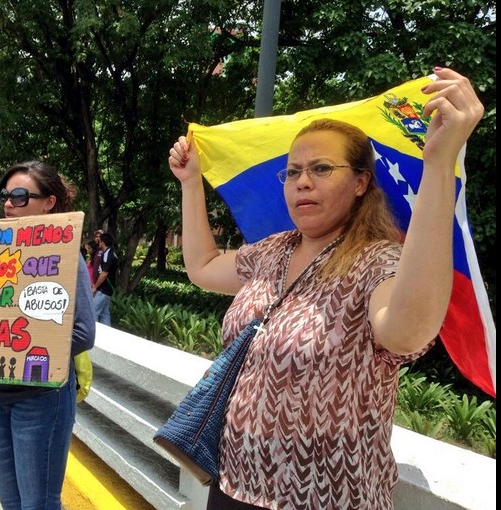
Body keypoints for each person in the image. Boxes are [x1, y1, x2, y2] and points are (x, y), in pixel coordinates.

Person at [167, 68, 484, 510]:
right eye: (293, 170)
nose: (302, 181)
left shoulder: (378, 261)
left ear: (360, 182)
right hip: (233, 485)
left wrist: (438, 162)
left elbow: (406, 331)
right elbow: (201, 267)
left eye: (321, 168)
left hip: (326, 499)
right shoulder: (272, 251)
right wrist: (190, 184)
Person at [0, 160, 96, 510]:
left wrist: (8, 366)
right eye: (5, 195)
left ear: (49, 202)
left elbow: (82, 333)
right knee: (11, 502)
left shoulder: (66, 256)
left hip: (41, 401)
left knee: (38, 504)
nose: (8, 203)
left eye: (19, 196)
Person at [92, 231, 118, 326]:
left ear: (103, 242)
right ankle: (108, 334)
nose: (98, 242)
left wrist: (95, 287)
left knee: (93, 312)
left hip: (104, 289)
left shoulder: (108, 255)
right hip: (108, 289)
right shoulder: (111, 253)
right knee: (104, 314)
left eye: (100, 240)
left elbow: (104, 273)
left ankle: (94, 335)